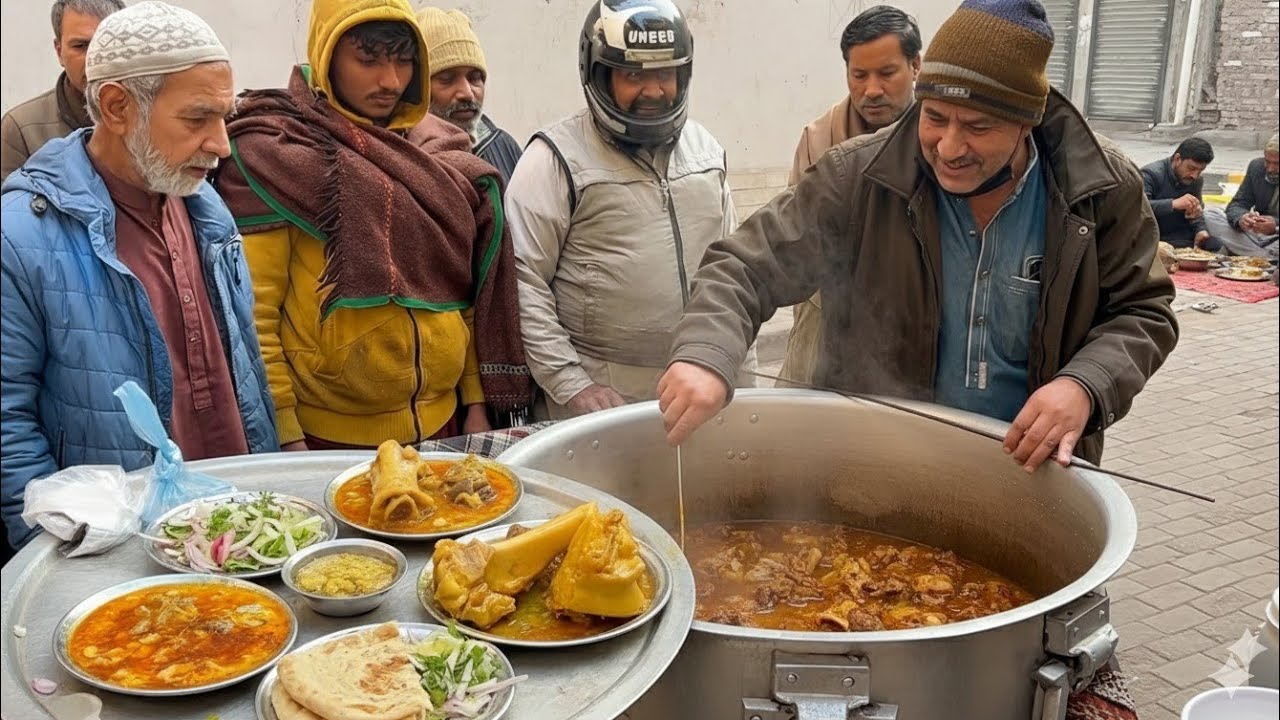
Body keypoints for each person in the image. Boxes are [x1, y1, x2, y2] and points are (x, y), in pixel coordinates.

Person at [657, 0, 1178, 475]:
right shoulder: (858, 177)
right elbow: (744, 267)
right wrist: (706, 353)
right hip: (874, 467)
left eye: (977, 127)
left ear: (1028, 122)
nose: (949, 147)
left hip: (1030, 472)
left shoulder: (1098, 189)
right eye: (935, 118)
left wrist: (1085, 384)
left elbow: (1143, 311)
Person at [0, 1, 279, 550]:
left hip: (240, 524)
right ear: (117, 106)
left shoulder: (206, 209)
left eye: (224, 117)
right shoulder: (22, 236)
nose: (221, 144)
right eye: (197, 119)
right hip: (115, 545)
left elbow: (245, 366)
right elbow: (7, 420)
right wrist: (60, 545)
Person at [213, 0, 532, 452]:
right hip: (330, 438)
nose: (391, 81)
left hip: (445, 423)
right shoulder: (278, 154)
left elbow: (458, 290)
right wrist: (286, 435)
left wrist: (475, 400)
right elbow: (256, 314)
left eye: (403, 61)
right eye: (368, 61)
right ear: (327, 57)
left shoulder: (438, 155)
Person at [506, 0, 751, 420]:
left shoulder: (706, 153)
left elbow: (735, 272)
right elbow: (521, 279)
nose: (653, 90)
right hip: (601, 402)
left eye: (665, 74)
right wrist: (572, 384)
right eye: (634, 75)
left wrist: (739, 375)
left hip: (699, 385)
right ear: (599, 75)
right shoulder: (555, 159)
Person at [780, 5, 922, 386]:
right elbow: (796, 242)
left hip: (912, 324)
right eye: (859, 75)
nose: (871, 90)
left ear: (915, 66)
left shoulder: (939, 135)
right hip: (826, 318)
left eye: (887, 73)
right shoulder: (819, 139)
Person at [1, 0, 125, 182]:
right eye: (81, 46)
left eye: (106, 44)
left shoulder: (152, 115)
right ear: (59, 52)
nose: (94, 59)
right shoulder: (22, 129)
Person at [417, 7, 522, 183]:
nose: (467, 93)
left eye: (475, 78)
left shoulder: (502, 146)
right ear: (418, 89)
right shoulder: (401, 160)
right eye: (447, 79)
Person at [1204, 132, 1279, 260]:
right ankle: (1263, 256)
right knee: (1210, 215)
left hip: (1275, 236)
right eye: (1267, 162)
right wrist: (1241, 218)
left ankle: (1249, 252)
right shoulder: (1256, 167)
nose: (1270, 168)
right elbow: (1238, 203)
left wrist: (1275, 227)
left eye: (1277, 163)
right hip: (1256, 234)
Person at [1139, 137, 1222, 252]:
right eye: (1191, 168)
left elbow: (1196, 214)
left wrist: (1200, 230)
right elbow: (1139, 207)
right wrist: (1173, 204)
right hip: (1153, 238)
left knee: (1215, 243)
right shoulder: (1150, 174)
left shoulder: (1195, 180)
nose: (1194, 175)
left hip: (1182, 239)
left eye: (1200, 171)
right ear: (1177, 159)